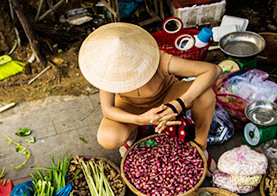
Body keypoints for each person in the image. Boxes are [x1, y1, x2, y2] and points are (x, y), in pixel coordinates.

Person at [78, 23, 221, 169]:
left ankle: (199, 146)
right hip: (131, 106)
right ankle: (133, 131)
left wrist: (179, 104)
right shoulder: (106, 72)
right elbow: (108, 110)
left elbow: (213, 70)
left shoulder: (158, 60)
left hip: (167, 95)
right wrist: (139, 120)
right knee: (108, 138)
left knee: (205, 95)